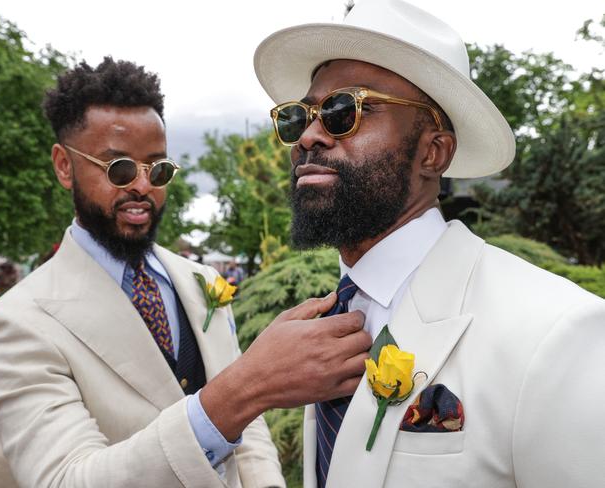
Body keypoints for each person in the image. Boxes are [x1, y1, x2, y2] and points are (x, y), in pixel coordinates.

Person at [0, 58, 371, 487]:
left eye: (158, 168)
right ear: (64, 166)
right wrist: (245, 388)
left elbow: (250, 435)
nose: (142, 186)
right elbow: (65, 480)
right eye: (119, 168)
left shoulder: (199, 280)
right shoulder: (16, 323)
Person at [253, 0, 605, 487]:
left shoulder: (555, 331)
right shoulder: (329, 318)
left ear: (433, 151)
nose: (309, 136)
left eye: (343, 110)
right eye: (302, 115)